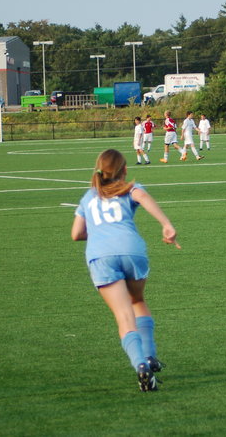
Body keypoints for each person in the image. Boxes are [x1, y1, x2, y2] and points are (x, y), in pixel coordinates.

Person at [72, 149, 181, 392]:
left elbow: (76, 233)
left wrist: (100, 231)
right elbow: (141, 195)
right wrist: (166, 224)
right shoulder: (128, 188)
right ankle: (150, 355)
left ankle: (141, 365)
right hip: (132, 250)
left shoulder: (88, 197)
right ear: (124, 170)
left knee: (123, 315)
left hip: (101, 256)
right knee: (137, 301)